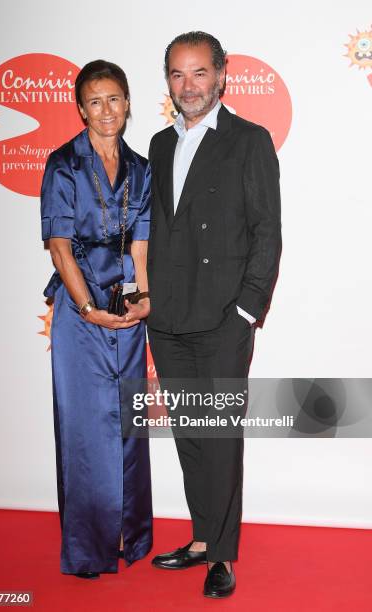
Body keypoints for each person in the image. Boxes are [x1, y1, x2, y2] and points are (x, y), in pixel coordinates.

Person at [147, 32, 281, 598]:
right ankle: (202, 537)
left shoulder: (249, 140)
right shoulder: (158, 143)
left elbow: (266, 232)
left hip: (225, 315)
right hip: (169, 317)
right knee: (191, 435)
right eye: (178, 75)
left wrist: (247, 310)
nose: (189, 86)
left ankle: (222, 557)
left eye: (199, 73)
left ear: (221, 76)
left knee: (221, 436)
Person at [40, 60, 152, 579]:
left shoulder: (142, 166)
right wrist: (89, 311)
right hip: (79, 311)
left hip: (127, 310)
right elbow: (60, 248)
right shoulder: (62, 164)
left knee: (129, 426)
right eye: (94, 101)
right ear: (80, 108)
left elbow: (143, 244)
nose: (106, 110)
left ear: (127, 103)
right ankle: (89, 547)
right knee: (85, 430)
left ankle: (129, 536)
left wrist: (144, 298)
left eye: (114, 99)